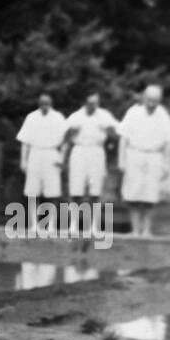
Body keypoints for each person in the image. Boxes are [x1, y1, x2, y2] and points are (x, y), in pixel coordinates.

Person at [117, 84, 170, 238]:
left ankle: (147, 230)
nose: (152, 104)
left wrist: (167, 164)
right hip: (134, 154)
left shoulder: (164, 115)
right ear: (144, 98)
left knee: (150, 196)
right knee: (133, 194)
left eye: (155, 101)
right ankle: (135, 230)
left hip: (154, 157)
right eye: (149, 100)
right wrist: (121, 159)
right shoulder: (133, 112)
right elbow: (123, 137)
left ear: (160, 100)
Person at [62, 93, 119, 234]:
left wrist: (108, 130)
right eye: (90, 103)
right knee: (76, 190)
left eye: (95, 103)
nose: (93, 106)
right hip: (79, 151)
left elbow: (117, 134)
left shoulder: (104, 116)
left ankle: (94, 226)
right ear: (85, 102)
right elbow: (64, 137)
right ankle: (73, 225)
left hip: (96, 151)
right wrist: (71, 132)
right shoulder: (75, 117)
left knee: (95, 191)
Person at [16, 93, 69, 233]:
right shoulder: (31, 117)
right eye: (42, 103)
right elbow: (25, 142)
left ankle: (50, 225)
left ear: (51, 104)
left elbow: (65, 142)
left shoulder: (58, 117)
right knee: (33, 191)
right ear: (39, 103)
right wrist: (24, 161)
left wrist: (62, 159)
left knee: (52, 192)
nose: (45, 105)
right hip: (35, 154)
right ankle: (34, 225)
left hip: (52, 155)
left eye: (47, 103)